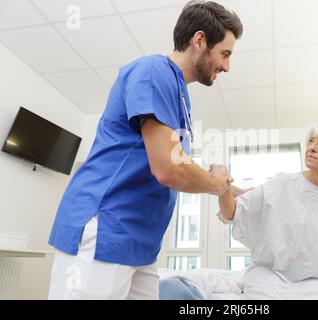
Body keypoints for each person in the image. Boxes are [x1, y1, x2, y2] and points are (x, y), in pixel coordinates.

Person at [47, 0, 243, 300]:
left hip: (141, 244)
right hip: (105, 229)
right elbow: (168, 169)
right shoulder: (154, 71)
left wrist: (227, 187)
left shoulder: (178, 95)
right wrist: (215, 184)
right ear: (199, 40)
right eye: (225, 54)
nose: (227, 66)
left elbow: (178, 163)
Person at [214, 123, 318, 300]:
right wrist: (222, 187)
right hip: (269, 279)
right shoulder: (283, 184)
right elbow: (231, 213)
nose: (312, 147)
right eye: (311, 141)